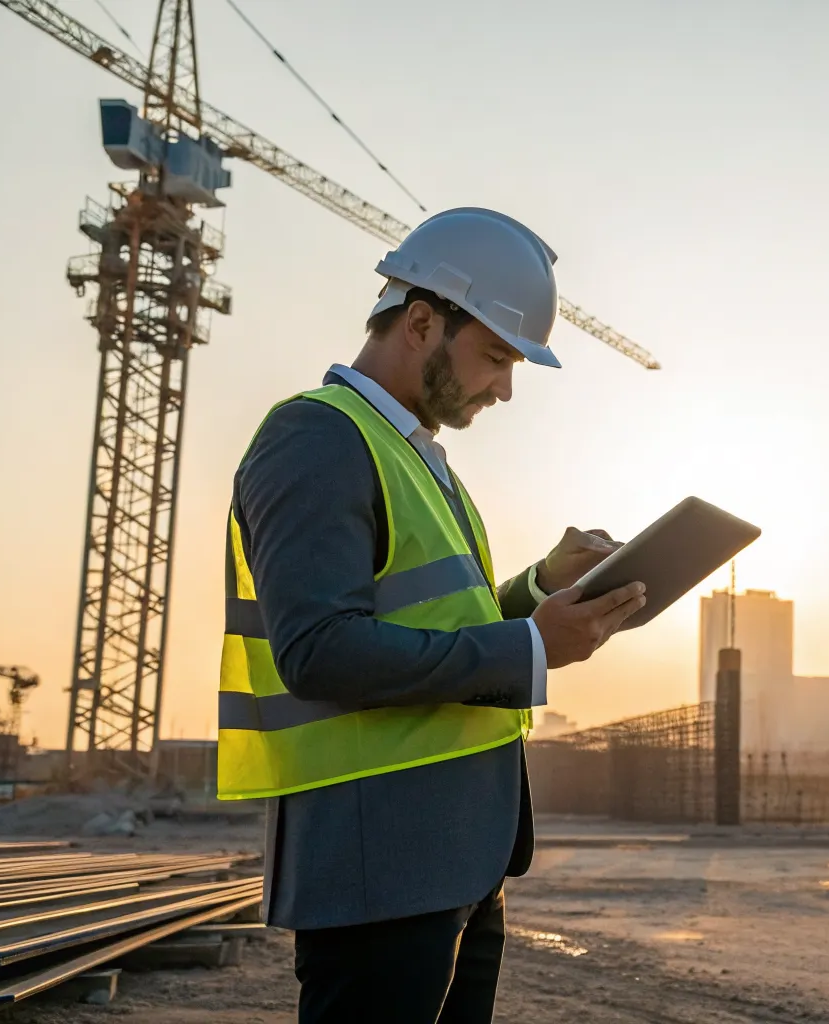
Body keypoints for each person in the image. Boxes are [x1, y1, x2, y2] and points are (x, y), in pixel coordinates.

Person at [216, 207, 644, 1023]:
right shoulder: (316, 437)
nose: (505, 388)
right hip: (378, 859)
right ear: (420, 321)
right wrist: (529, 645)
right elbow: (317, 650)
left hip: (456, 857)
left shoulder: (413, 457)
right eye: (494, 357)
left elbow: (441, 620)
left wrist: (539, 586)